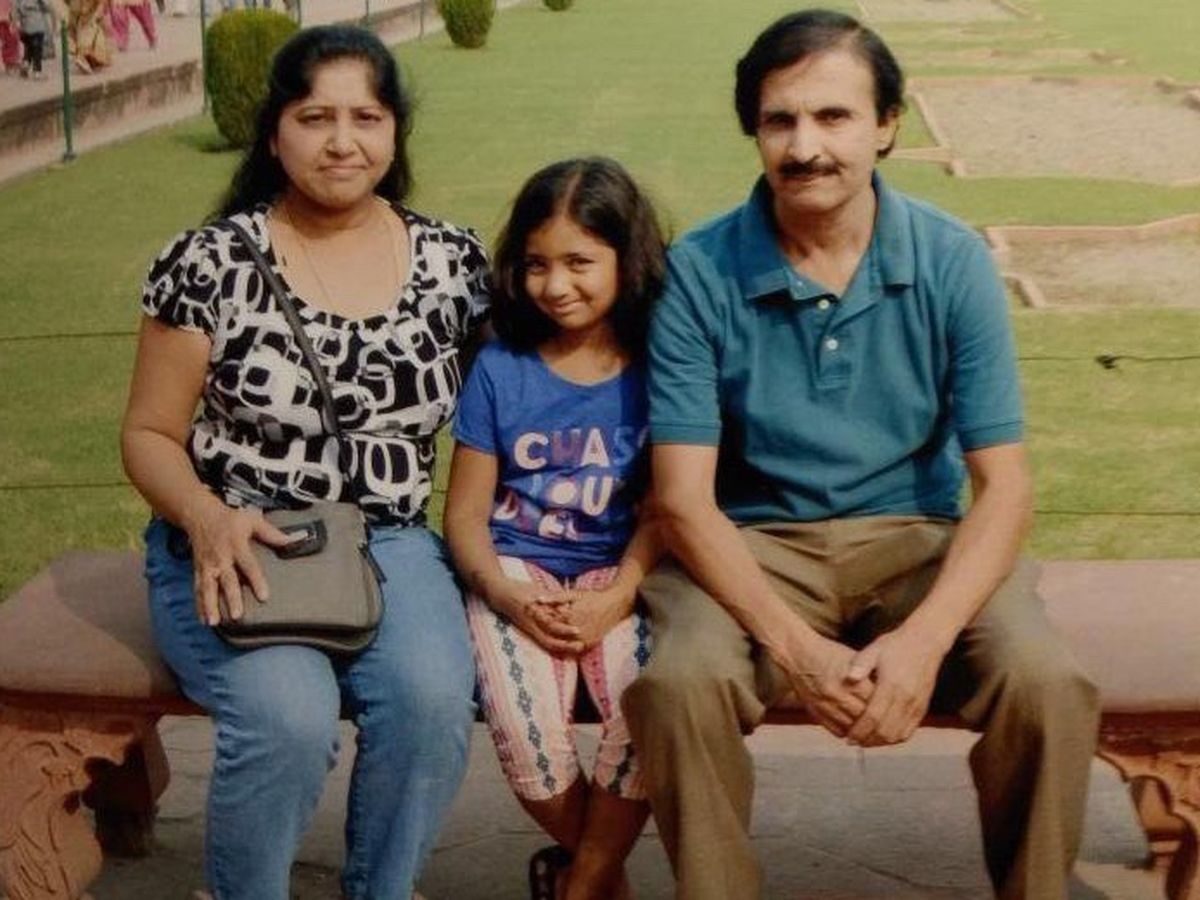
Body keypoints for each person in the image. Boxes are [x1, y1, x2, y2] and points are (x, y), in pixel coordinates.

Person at [620, 9, 1100, 900]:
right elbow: (682, 498)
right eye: (781, 120)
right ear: (754, 130)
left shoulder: (951, 260)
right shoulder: (702, 269)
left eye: (833, 116)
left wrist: (923, 643)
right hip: (755, 543)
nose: (805, 147)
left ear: (887, 126)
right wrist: (800, 652)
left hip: (915, 540)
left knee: (1046, 683)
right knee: (678, 686)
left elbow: (1004, 486)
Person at [120, 24, 488, 900]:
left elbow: (510, 410)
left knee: (433, 703)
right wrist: (206, 517)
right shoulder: (208, 262)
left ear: (395, 131)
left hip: (388, 541)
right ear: (275, 131)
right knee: (286, 717)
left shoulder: (453, 263)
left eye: (366, 117)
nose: (341, 141)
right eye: (315, 117)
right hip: (241, 537)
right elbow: (149, 434)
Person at [443, 157, 666, 900]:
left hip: (623, 570)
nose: (556, 284)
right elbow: (464, 516)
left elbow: (665, 509)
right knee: (526, 734)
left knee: (648, 711)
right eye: (537, 264)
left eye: (579, 262)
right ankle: (606, 882)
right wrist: (505, 595)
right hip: (517, 569)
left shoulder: (659, 366)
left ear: (626, 258)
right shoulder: (502, 367)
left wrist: (619, 595)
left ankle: (581, 883)